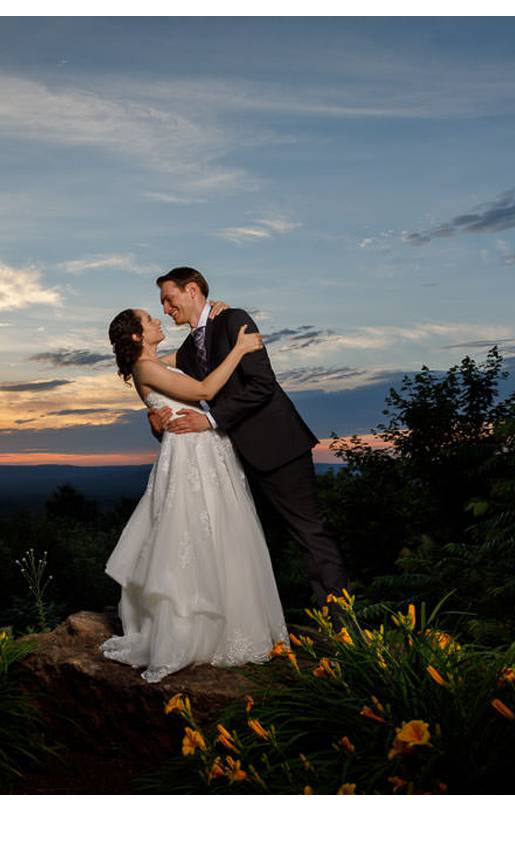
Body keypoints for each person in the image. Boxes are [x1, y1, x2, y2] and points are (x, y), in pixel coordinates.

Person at [99, 306, 289, 684]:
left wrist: (211, 316)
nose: (158, 320)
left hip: (205, 451)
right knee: (189, 535)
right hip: (189, 455)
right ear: (136, 336)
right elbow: (204, 390)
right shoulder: (144, 367)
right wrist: (240, 348)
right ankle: (189, 632)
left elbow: (196, 349)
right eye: (149, 320)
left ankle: (229, 623)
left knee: (220, 532)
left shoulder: (156, 363)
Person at [149, 266, 349, 607]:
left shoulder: (234, 320)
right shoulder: (188, 349)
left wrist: (211, 419)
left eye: (169, 299)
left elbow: (262, 385)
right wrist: (155, 415)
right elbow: (147, 366)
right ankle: (272, 619)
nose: (166, 310)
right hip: (235, 458)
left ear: (192, 290)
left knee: (309, 532)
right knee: (253, 541)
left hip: (279, 447)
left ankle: (341, 620)